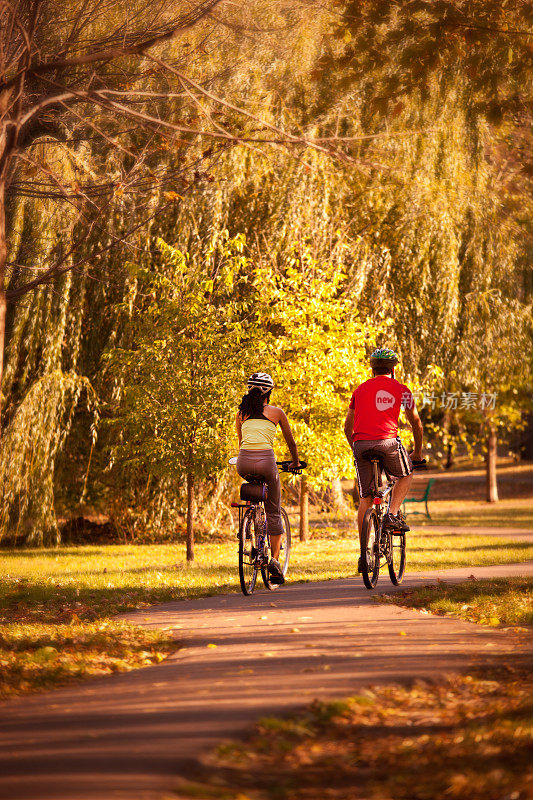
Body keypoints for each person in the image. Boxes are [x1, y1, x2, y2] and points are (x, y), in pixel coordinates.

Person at [343, 348, 424, 572]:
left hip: (361, 445)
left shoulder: (359, 390)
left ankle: (363, 554)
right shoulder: (401, 389)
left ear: (372, 368)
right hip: (388, 443)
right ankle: (392, 514)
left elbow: (347, 427)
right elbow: (415, 422)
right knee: (406, 473)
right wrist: (416, 452)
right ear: (393, 369)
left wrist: (356, 448)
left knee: (366, 500)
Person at [236, 372, 299, 584]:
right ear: (268, 392)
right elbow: (291, 443)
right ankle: (274, 560)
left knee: (252, 494)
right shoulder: (277, 412)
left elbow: (242, 442)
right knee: (273, 510)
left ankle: (249, 520)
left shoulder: (241, 413)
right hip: (266, 462)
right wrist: (296, 462)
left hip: (243, 462)